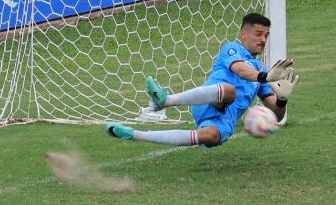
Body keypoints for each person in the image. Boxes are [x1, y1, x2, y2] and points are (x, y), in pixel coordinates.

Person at [104, 12, 299, 147]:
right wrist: (264, 76)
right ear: (244, 33)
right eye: (259, 34)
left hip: (225, 120)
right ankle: (165, 101)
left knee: (209, 136)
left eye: (266, 35)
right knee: (230, 90)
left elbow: (277, 117)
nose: (264, 39)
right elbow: (240, 70)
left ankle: (133, 135)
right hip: (209, 100)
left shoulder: (262, 72)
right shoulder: (232, 49)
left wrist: (282, 99)